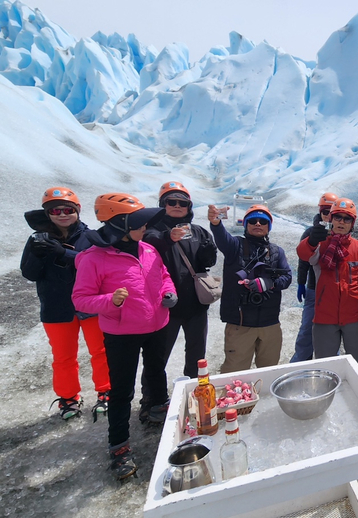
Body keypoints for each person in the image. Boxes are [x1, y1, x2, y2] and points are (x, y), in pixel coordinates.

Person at [72, 192, 174, 481]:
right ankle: (119, 447)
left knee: (157, 372)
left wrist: (169, 292)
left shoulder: (148, 249)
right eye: (139, 222)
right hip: (122, 333)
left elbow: (163, 275)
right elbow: (80, 299)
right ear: (119, 224)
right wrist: (110, 301)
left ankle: (155, 410)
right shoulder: (94, 258)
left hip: (156, 325)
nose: (146, 227)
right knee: (121, 391)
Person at [21, 187, 111, 421]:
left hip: (89, 304)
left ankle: (106, 391)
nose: (62, 214)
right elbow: (29, 273)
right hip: (55, 306)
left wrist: (62, 253)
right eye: (55, 210)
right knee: (63, 357)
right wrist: (38, 254)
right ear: (47, 213)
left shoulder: (90, 237)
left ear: (78, 211)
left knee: (101, 351)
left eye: (68, 209)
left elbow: (96, 267)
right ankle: (68, 397)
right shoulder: (37, 239)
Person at [143, 181, 217, 381]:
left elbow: (208, 262)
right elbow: (149, 245)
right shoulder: (151, 230)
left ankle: (195, 392)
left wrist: (209, 248)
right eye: (171, 201)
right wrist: (168, 237)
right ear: (162, 204)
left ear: (189, 207)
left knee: (196, 356)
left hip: (195, 306)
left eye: (182, 203)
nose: (177, 206)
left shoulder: (199, 231)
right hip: (164, 305)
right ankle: (152, 401)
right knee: (158, 356)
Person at [207, 203, 292, 373]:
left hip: (270, 324)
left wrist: (270, 284)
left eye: (263, 221)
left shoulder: (277, 251)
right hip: (240, 324)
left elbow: (287, 277)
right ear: (246, 225)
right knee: (235, 374)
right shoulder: (235, 246)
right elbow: (222, 237)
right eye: (253, 221)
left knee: (268, 373)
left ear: (269, 226)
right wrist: (215, 222)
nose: (258, 224)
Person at [296, 197, 358, 367]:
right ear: (331, 219)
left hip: (353, 316)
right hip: (325, 315)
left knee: (356, 364)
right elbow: (303, 254)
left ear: (352, 224)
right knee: (325, 365)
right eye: (338, 217)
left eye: (347, 219)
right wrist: (310, 241)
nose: (341, 222)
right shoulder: (320, 244)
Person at [291, 192, 336, 362]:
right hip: (314, 288)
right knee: (307, 329)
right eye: (325, 211)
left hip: (332, 292)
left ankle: (330, 362)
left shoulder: (340, 234)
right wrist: (301, 283)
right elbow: (303, 261)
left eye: (332, 212)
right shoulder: (310, 233)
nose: (329, 216)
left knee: (331, 330)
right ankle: (300, 362)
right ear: (320, 212)